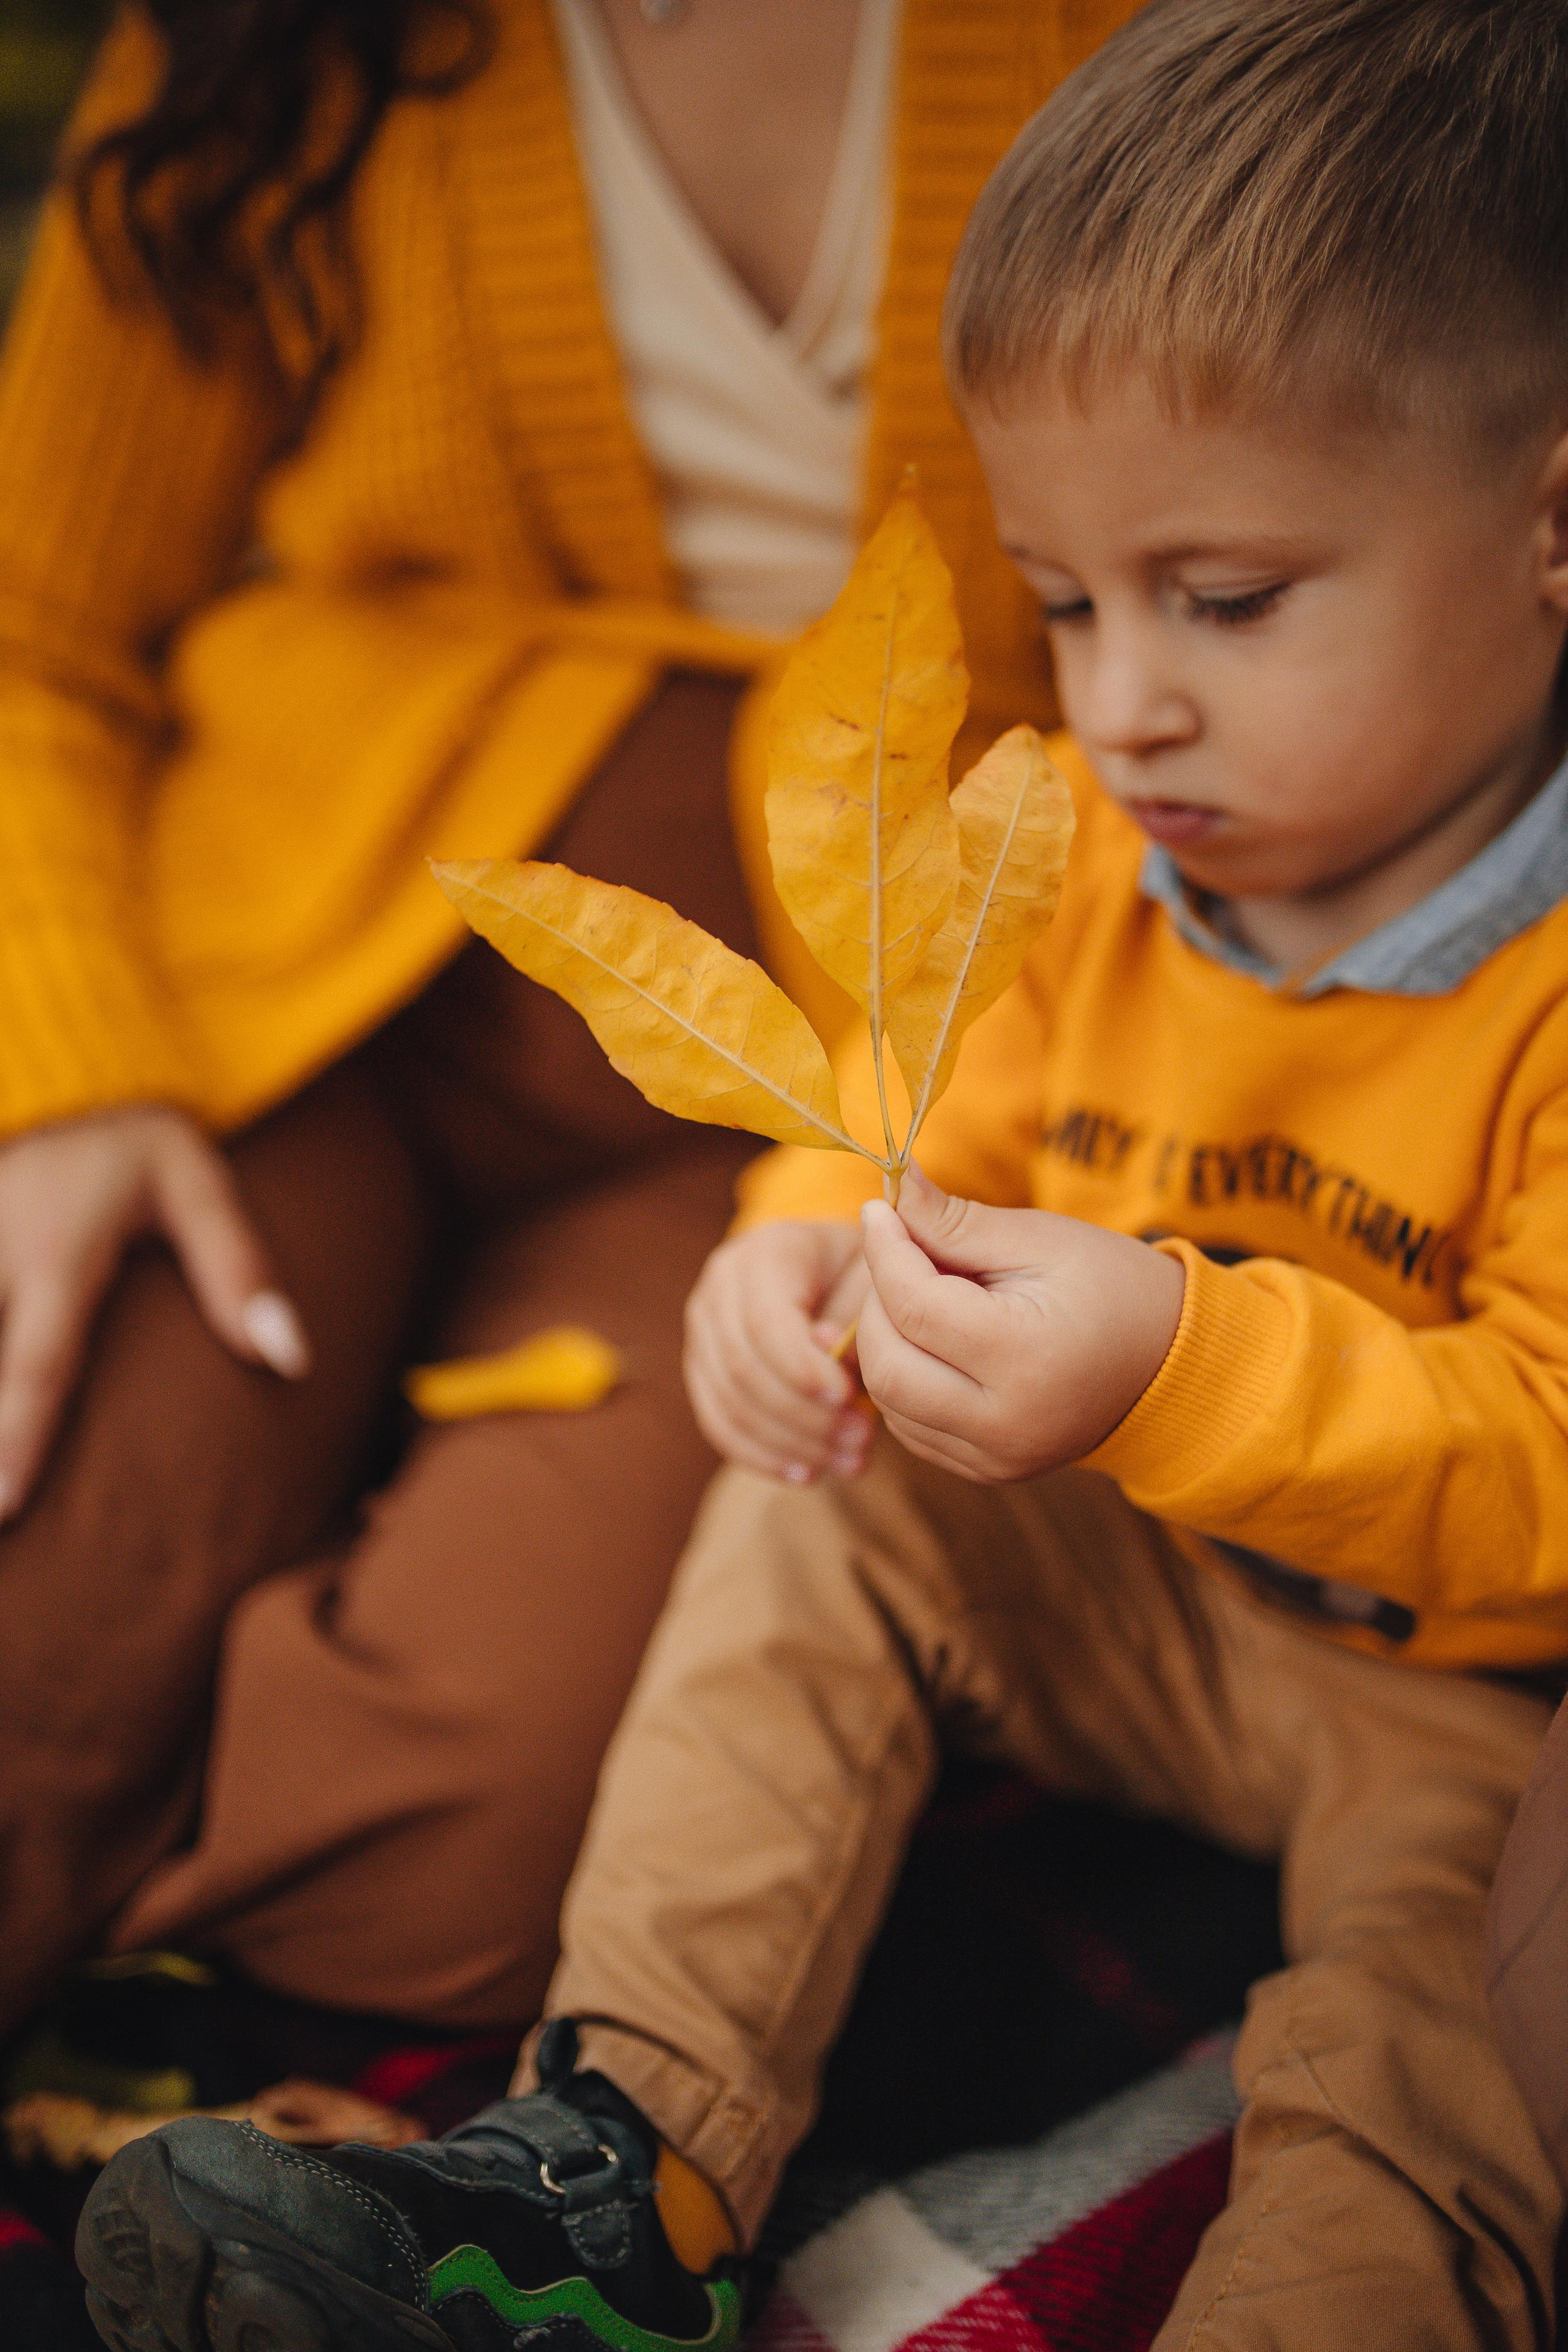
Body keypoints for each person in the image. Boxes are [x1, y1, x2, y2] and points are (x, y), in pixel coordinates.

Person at [75, 0, 1568, 2346]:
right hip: (1123, 1586)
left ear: (1550, 526)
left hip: (1473, 1703)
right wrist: (798, 1262)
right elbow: (907, 1106)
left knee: (1442, 2044)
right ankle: (620, 2172)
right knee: (815, 1518)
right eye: (1063, 602)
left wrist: (1176, 1362)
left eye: (1227, 600)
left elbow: (1547, 1466)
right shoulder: (1073, 859)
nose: (1123, 701)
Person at [0, 0, 1139, 2040]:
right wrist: (67, 1075)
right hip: (303, 997)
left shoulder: (1150, 43)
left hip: (806, 1107)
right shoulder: (275, 42)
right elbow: (32, 621)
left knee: (493, 1870)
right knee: (35, 1628)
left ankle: (185, 1840)